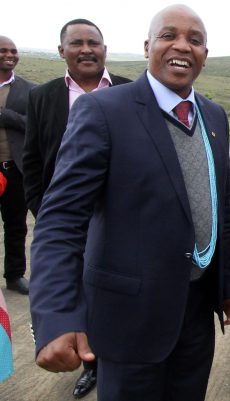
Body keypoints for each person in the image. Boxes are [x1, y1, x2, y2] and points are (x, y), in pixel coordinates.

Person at [28, 5, 230, 401]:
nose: (182, 46)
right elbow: (60, 222)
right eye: (169, 36)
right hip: (128, 316)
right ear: (148, 46)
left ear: (205, 55)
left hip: (195, 312)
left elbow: (219, 204)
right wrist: (57, 316)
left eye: (195, 40)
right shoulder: (104, 111)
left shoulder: (213, 116)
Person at [22, 19, 131, 399]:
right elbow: (33, 162)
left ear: (104, 49)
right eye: (77, 43)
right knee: (77, 291)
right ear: (61, 51)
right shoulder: (43, 97)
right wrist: (44, 213)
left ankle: (116, 357)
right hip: (67, 221)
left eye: (94, 43)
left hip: (118, 222)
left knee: (111, 291)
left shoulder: (129, 91)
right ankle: (91, 364)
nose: (87, 49)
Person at [0, 36, 34, 296]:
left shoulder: (30, 90)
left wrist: (4, 116)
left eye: (13, 51)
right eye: (3, 51)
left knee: (16, 225)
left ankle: (14, 275)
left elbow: (33, 124)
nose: (9, 55)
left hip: (14, 168)